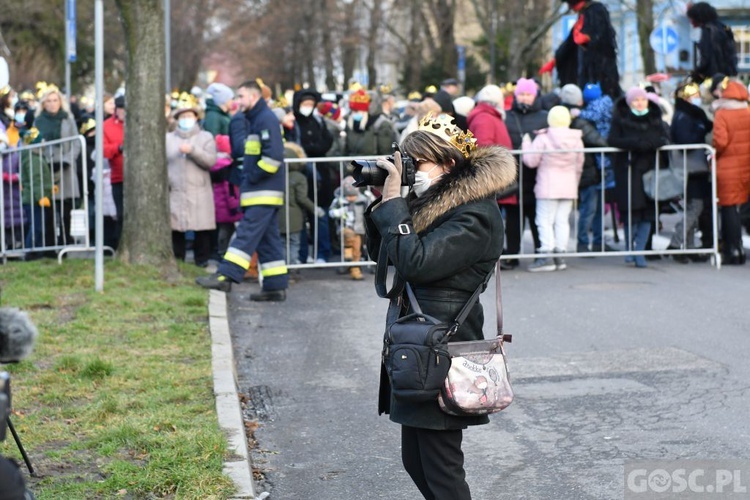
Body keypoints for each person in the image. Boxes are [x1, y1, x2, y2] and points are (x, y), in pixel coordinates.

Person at [365, 114, 516, 499]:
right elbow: (390, 257)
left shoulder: (475, 215)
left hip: (440, 347)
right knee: (417, 462)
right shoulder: (432, 204)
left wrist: (397, 204)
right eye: (408, 161)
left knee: (441, 469)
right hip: (416, 342)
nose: (412, 171)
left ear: (449, 163)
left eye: (419, 163)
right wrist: (382, 204)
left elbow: (417, 262)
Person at [196, 80, 289, 301]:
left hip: (262, 191)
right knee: (268, 241)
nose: (237, 102)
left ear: (253, 97)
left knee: (245, 234)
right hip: (261, 191)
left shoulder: (265, 119)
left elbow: (272, 159)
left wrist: (251, 177)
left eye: (241, 96)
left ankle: (226, 276)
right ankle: (275, 287)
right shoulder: (256, 119)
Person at [607, 87, 669, 268]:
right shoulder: (621, 119)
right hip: (628, 171)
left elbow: (664, 138)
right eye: (635, 100)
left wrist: (652, 144)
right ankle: (629, 249)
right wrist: (635, 144)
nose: (640, 103)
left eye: (643, 99)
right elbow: (612, 140)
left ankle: (640, 251)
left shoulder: (655, 118)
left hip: (650, 171)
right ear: (629, 102)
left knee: (647, 215)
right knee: (631, 213)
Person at [522, 105, 584, 271]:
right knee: (562, 221)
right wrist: (575, 182)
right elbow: (579, 164)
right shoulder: (576, 138)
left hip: (547, 186)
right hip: (569, 185)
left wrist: (526, 144)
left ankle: (546, 256)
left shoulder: (544, 138)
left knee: (544, 220)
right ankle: (560, 256)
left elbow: (531, 161)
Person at [558, 84, 609, 253]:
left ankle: (593, 242)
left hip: (570, 170)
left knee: (587, 208)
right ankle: (586, 242)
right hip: (587, 170)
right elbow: (599, 141)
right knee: (590, 208)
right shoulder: (580, 120)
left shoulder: (558, 115)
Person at [666, 82, 713, 262]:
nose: (698, 99)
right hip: (691, 169)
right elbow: (686, 140)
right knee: (695, 207)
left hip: (695, 168)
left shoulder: (692, 114)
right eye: (694, 96)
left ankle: (688, 247)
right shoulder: (684, 117)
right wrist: (701, 131)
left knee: (694, 208)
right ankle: (677, 243)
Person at [504, 78, 548, 268]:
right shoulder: (508, 116)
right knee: (514, 218)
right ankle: (512, 255)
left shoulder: (544, 116)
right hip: (513, 174)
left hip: (537, 175)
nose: (524, 97)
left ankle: (541, 252)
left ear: (535, 95)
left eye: (528, 94)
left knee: (538, 216)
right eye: (521, 94)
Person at [166, 102, 217, 267]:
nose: (186, 119)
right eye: (182, 116)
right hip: (175, 189)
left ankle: (201, 260)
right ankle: (178, 260)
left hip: (199, 189)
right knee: (176, 227)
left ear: (196, 118)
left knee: (201, 227)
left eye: (189, 116)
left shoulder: (206, 137)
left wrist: (193, 151)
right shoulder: (168, 139)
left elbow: (210, 161)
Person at [539, 0, 621, 98]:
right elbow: (569, 43)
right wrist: (556, 60)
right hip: (586, 73)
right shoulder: (582, 16)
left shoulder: (596, 10)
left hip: (601, 71)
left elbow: (603, 36)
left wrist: (588, 39)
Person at [33, 85, 82, 245]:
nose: (52, 104)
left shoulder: (68, 119)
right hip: (47, 168)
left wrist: (68, 159)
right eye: (49, 101)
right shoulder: (38, 121)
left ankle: (66, 241)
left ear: (60, 102)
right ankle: (50, 245)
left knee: (65, 210)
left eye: (55, 100)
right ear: (44, 104)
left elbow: (76, 142)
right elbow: (33, 145)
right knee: (49, 210)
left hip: (65, 169)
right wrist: (44, 158)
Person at [712, 79, 750, 265]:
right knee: (742, 206)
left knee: (729, 208)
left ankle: (733, 249)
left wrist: (712, 151)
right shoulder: (747, 111)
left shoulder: (722, 114)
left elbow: (720, 141)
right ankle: (740, 249)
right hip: (746, 164)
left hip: (728, 165)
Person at [328, 176, 369, 280]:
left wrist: (370, 197)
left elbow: (370, 209)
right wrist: (338, 212)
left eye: (353, 196)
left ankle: (355, 270)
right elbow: (331, 212)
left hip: (359, 229)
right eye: (348, 196)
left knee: (357, 251)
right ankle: (347, 254)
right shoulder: (339, 201)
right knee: (348, 235)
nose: (351, 198)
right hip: (345, 227)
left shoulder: (362, 201)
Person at [687, 2, 738, 83]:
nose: (691, 21)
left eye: (691, 18)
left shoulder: (708, 30)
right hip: (727, 76)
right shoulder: (723, 28)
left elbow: (706, 58)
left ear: (698, 17)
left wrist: (696, 73)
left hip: (713, 79)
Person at [210, 135, 243, 259]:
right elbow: (229, 189)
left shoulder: (215, 164)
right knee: (228, 231)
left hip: (220, 205)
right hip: (229, 206)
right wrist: (235, 204)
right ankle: (224, 253)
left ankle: (221, 251)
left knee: (224, 229)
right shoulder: (227, 167)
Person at [345, 89, 398, 157]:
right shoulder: (350, 124)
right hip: (353, 165)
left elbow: (385, 152)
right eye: (354, 110)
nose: (355, 113)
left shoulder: (381, 124)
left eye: (358, 110)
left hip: (372, 165)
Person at [102, 95, 125, 249]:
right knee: (121, 214)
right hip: (119, 176)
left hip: (139, 178)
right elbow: (104, 150)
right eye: (122, 108)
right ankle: (120, 246)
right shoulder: (107, 126)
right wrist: (119, 147)